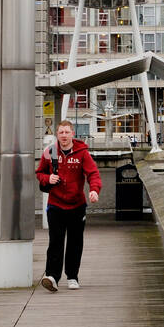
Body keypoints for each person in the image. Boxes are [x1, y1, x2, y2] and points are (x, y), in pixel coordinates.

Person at [35, 119, 102, 291]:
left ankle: (72, 277)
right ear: (57, 134)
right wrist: (47, 178)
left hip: (77, 205)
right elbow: (40, 173)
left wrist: (94, 190)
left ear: (73, 134)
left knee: (75, 242)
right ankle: (51, 276)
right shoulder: (49, 152)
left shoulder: (82, 153)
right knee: (55, 241)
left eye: (67, 132)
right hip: (56, 205)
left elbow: (93, 174)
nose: (64, 135)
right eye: (61, 132)